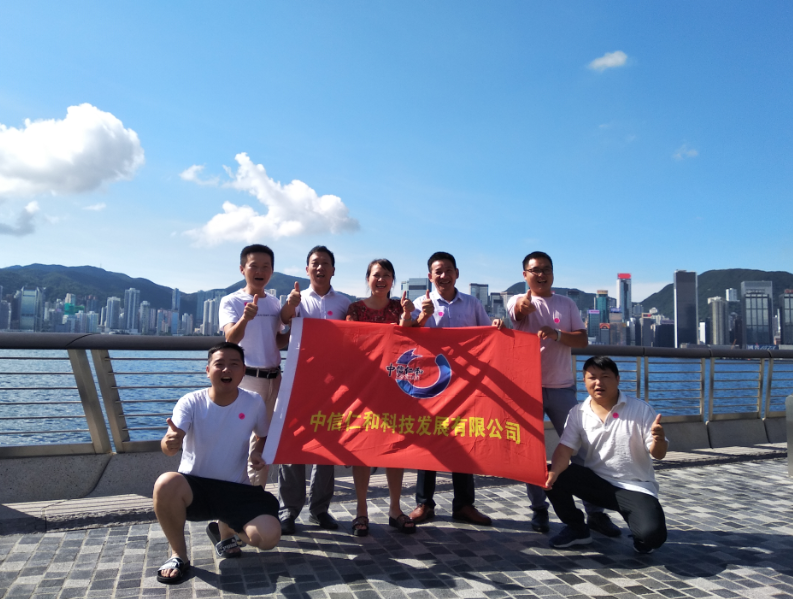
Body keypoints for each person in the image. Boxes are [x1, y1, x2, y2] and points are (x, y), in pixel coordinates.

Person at [507, 251, 620, 538]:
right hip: (527, 389)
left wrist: (557, 334)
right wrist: (523, 307)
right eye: (535, 270)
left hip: (561, 387)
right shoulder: (516, 300)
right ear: (525, 275)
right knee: (531, 452)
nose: (541, 274)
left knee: (582, 449)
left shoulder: (566, 304)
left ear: (553, 273)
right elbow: (518, 311)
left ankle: (595, 512)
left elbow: (581, 340)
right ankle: (539, 509)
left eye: (546, 269)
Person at [152, 342, 280, 584]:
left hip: (237, 489)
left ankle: (226, 528)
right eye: (219, 364)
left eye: (234, 364)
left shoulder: (253, 402)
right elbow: (170, 444)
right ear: (207, 370)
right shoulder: (190, 401)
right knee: (165, 483)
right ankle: (179, 556)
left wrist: (256, 452)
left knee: (268, 537)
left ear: (243, 371)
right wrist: (170, 442)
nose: (226, 370)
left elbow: (263, 435)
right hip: (195, 488)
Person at [408, 251, 502, 526]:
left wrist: (497, 325)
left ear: (457, 274)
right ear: (430, 276)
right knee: (429, 441)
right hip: (431, 384)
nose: (444, 275)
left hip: (465, 386)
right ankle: (424, 503)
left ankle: (464, 505)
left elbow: (489, 337)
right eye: (438, 271)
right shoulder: (420, 303)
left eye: (448, 270)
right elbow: (406, 337)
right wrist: (421, 318)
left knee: (465, 441)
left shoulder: (472, 304)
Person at [543, 356, 668, 553]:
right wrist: (553, 474)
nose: (598, 383)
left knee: (652, 537)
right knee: (548, 473)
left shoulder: (640, 409)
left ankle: (638, 529)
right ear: (584, 381)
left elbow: (658, 454)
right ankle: (577, 528)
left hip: (634, 487)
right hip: (596, 483)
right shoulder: (578, 412)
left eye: (605, 376)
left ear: (617, 379)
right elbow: (565, 448)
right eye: (592, 377)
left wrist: (659, 440)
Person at [212, 244, 289, 556]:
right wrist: (245, 317)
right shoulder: (231, 300)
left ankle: (248, 513)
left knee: (263, 448)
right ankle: (226, 526)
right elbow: (230, 338)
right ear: (242, 269)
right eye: (254, 265)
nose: (260, 271)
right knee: (237, 449)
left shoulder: (275, 302)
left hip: (274, 379)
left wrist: (301, 325)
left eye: (266, 266)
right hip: (247, 380)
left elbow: (278, 340)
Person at [345, 258, 425, 536]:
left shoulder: (400, 308)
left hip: (396, 387)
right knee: (361, 447)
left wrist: (408, 318)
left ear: (393, 280)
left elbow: (413, 342)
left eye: (386, 275)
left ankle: (395, 508)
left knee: (394, 447)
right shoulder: (354, 309)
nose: (381, 280)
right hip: (364, 388)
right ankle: (361, 510)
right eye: (376, 275)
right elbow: (351, 340)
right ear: (367, 278)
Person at [277, 245, 351, 535]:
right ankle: (288, 509)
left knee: (327, 445)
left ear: (333, 270)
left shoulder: (344, 303)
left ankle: (319, 509)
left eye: (325, 263)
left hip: (334, 384)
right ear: (307, 269)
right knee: (292, 444)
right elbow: (284, 322)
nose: (320, 268)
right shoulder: (296, 299)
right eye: (315, 263)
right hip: (299, 379)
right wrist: (290, 305)